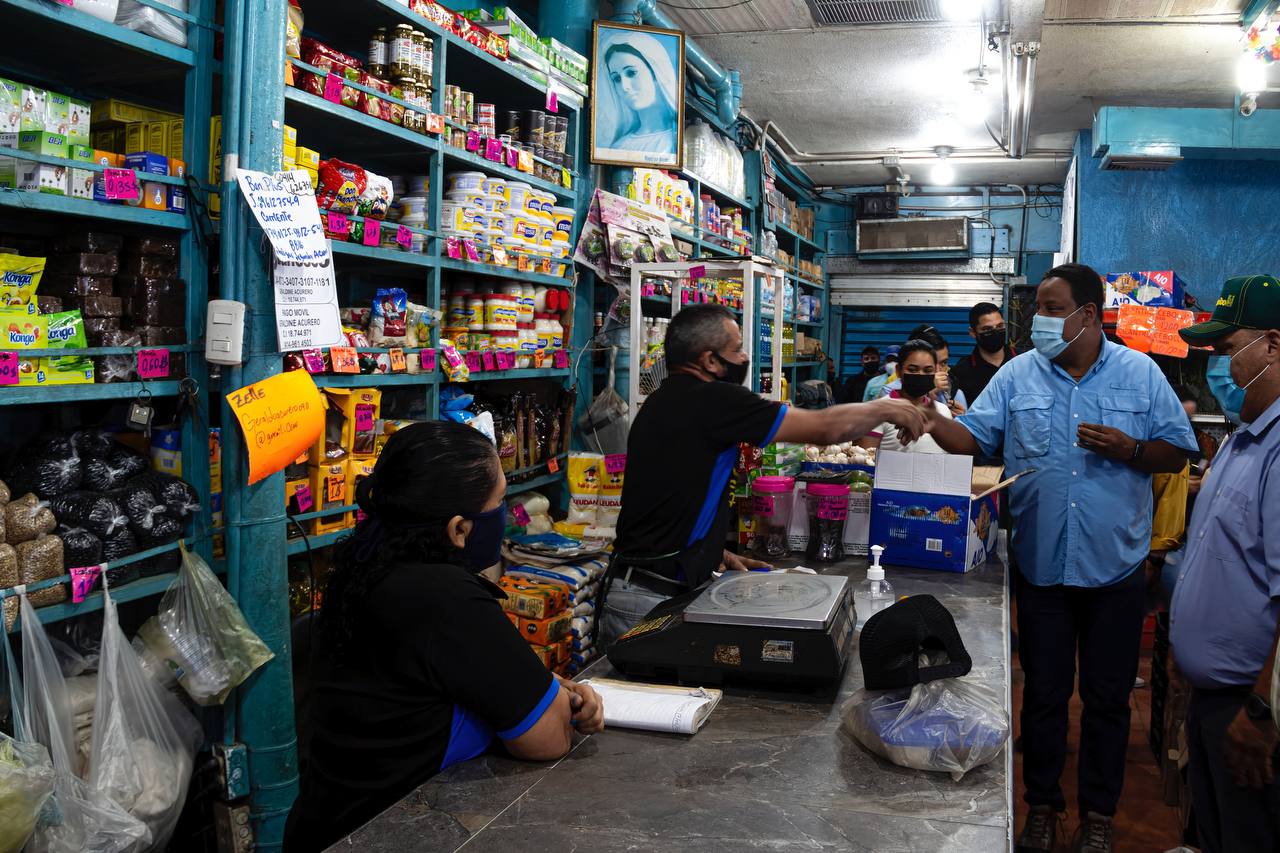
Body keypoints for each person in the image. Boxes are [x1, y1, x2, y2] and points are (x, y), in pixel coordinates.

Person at [920, 263, 1196, 853]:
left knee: (1107, 701)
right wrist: (926, 419)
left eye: (1050, 309)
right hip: (1042, 568)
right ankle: (1042, 806)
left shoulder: (1140, 374)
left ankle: (1099, 814)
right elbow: (975, 439)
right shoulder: (1018, 375)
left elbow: (1177, 452)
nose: (1038, 321)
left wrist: (1132, 449)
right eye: (1038, 309)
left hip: (1115, 568)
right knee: (1043, 696)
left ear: (1087, 314)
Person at [284, 422, 605, 852]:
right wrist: (563, 704)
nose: (506, 513)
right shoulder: (447, 597)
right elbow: (547, 739)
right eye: (500, 502)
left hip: (331, 826)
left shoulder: (366, 569)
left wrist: (543, 688)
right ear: (459, 529)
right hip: (393, 833)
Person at [601, 304, 928, 647]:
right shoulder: (713, 399)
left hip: (640, 587)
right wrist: (886, 407)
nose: (744, 358)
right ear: (710, 360)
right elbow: (825, 428)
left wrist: (710, 553)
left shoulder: (660, 402)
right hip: (649, 602)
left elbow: (670, 495)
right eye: (737, 349)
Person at [1167, 274, 1280, 853]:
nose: (1220, 367)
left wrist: (1260, 711)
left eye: (1229, 349)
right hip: (1214, 697)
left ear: (1273, 345)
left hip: (1249, 708)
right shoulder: (1243, 440)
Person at [858, 339, 952, 454]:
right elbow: (865, 460)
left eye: (928, 370)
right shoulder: (876, 411)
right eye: (912, 370)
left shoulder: (943, 412)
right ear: (898, 371)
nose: (920, 375)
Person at [600, 32, 679, 158]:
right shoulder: (619, 147)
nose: (624, 86)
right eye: (617, 79)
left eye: (631, 73)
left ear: (655, 72)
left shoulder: (681, 140)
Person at [951, 301, 1016, 407]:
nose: (995, 332)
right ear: (973, 332)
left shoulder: (1023, 362)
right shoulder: (960, 373)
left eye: (1000, 326)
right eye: (987, 329)